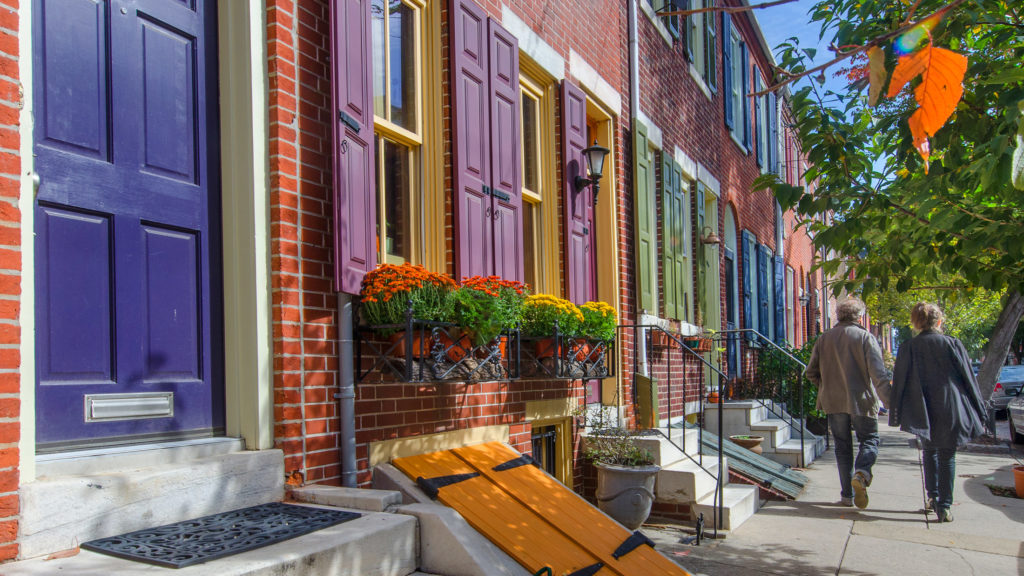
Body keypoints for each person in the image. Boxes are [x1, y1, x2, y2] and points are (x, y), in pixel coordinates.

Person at [889, 302, 986, 523]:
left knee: (929, 451)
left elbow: (900, 382)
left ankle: (932, 497)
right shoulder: (952, 344)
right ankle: (945, 506)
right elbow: (968, 378)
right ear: (939, 321)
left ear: (915, 323)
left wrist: (896, 411)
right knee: (947, 455)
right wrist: (979, 408)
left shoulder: (908, 348)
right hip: (950, 405)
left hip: (921, 406)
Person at [804, 298, 891, 509]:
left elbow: (810, 372)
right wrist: (890, 401)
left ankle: (847, 496)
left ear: (839, 315)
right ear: (858, 316)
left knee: (842, 448)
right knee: (869, 440)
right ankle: (861, 472)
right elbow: (878, 374)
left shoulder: (824, 339)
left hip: (833, 401)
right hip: (861, 399)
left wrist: (825, 387)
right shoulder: (865, 338)